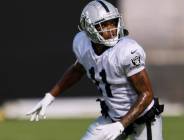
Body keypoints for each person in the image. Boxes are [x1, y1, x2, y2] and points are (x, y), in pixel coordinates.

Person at [26, 0, 164, 140]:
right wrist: (50, 96)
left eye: (113, 22)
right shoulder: (82, 43)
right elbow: (77, 70)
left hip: (142, 117)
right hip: (113, 116)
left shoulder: (128, 50)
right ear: (89, 28)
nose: (111, 29)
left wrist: (121, 125)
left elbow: (146, 94)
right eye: (104, 25)